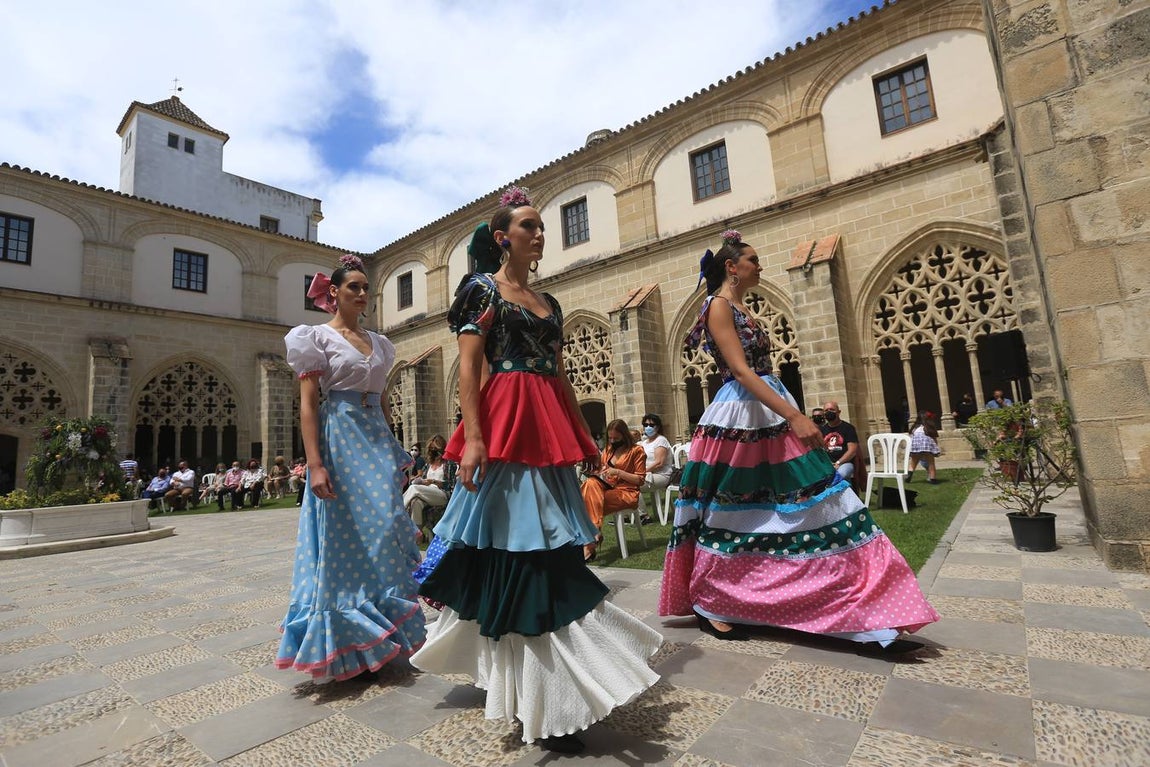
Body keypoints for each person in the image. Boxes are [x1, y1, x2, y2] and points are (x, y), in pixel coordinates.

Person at [411, 187, 660, 754]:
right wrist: (474, 438)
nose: (540, 233)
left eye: (542, 225)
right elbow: (469, 367)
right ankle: (535, 689)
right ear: (503, 238)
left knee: (543, 547)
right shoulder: (481, 288)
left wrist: (583, 435)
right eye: (529, 225)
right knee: (517, 549)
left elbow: (560, 373)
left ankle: (542, 685)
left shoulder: (550, 301)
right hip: (505, 422)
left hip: (545, 425)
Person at [659, 229, 938, 653]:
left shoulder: (741, 306)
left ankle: (861, 612)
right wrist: (794, 415)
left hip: (767, 408)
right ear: (732, 266)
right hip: (742, 416)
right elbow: (740, 371)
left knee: (815, 504)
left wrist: (788, 411)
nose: (759, 266)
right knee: (737, 512)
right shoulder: (717, 305)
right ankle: (715, 600)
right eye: (753, 260)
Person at [275, 253, 425, 681]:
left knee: (387, 526)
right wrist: (315, 464)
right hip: (339, 436)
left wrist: (394, 448)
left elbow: (382, 399)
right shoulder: (315, 338)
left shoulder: (381, 343)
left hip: (374, 436)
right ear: (334, 293)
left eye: (365, 287)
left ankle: (381, 630)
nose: (362, 293)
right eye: (353, 287)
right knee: (344, 536)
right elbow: (308, 405)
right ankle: (349, 639)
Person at [580, 418, 647, 560]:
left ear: (624, 435)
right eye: (610, 438)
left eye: (616, 438)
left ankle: (590, 540)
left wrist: (618, 472)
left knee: (585, 501)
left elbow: (640, 480)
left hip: (627, 492)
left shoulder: (636, 451)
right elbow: (603, 470)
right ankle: (593, 535)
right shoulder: (609, 449)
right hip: (607, 487)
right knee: (591, 483)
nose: (612, 441)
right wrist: (597, 471)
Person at [402, 435, 449, 541]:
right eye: (431, 449)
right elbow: (422, 479)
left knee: (414, 488)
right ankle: (417, 535)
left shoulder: (447, 464)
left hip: (441, 494)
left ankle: (399, 509)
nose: (433, 451)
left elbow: (450, 485)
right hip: (426, 494)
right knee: (416, 502)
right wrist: (421, 481)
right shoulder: (428, 465)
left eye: (435, 449)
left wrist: (433, 481)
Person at [638, 413, 674, 525]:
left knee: (632, 485)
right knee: (623, 482)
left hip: (661, 475)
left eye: (651, 425)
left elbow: (659, 463)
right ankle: (627, 516)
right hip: (647, 474)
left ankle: (644, 516)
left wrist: (641, 472)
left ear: (657, 427)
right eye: (645, 425)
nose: (648, 427)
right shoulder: (644, 443)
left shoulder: (661, 440)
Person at [820, 401, 860, 484]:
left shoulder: (848, 428)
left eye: (832, 409)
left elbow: (852, 451)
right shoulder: (822, 430)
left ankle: (832, 489)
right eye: (826, 410)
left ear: (839, 412)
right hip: (828, 464)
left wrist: (838, 463)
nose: (829, 412)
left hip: (845, 463)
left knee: (841, 473)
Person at [908, 411, 942, 484]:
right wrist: (935, 448)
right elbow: (934, 439)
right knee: (931, 463)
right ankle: (933, 479)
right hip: (927, 447)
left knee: (913, 463)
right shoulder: (929, 427)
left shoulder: (915, 428)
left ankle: (909, 476)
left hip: (916, 447)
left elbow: (911, 437)